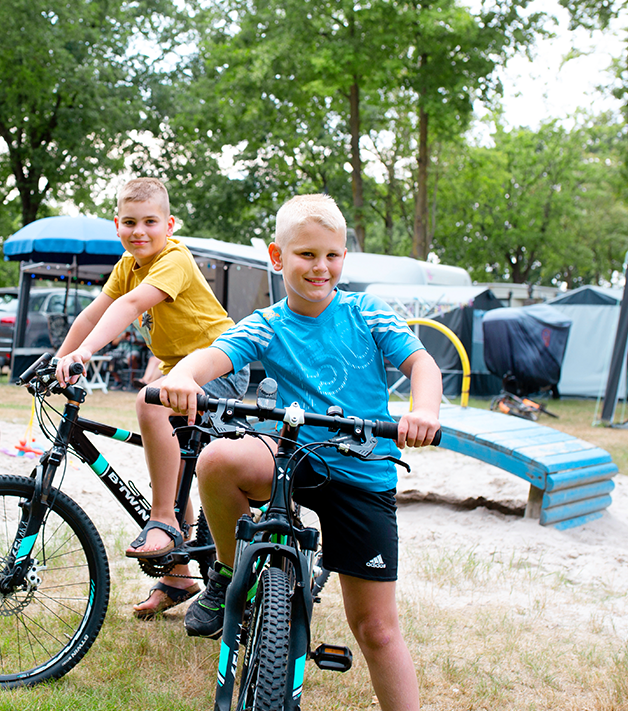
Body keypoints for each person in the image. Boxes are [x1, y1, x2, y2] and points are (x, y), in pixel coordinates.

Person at [159, 194, 441, 711]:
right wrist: (182, 376)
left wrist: (423, 410)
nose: (320, 267)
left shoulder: (367, 313)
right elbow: (213, 356)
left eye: (331, 255)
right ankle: (231, 576)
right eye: (306, 254)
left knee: (376, 628)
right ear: (277, 257)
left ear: (344, 258)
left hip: (363, 470)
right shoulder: (267, 324)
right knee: (217, 459)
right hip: (293, 459)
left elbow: (422, 365)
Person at [54, 177, 249, 619]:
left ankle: (162, 518)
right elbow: (94, 312)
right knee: (170, 465)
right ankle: (178, 575)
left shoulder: (173, 259)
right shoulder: (128, 264)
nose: (139, 231)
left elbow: (128, 307)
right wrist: (59, 358)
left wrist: (85, 353)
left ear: (169, 224)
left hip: (219, 364)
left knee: (149, 401)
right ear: (117, 225)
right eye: (129, 222)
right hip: (177, 369)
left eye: (149, 222)